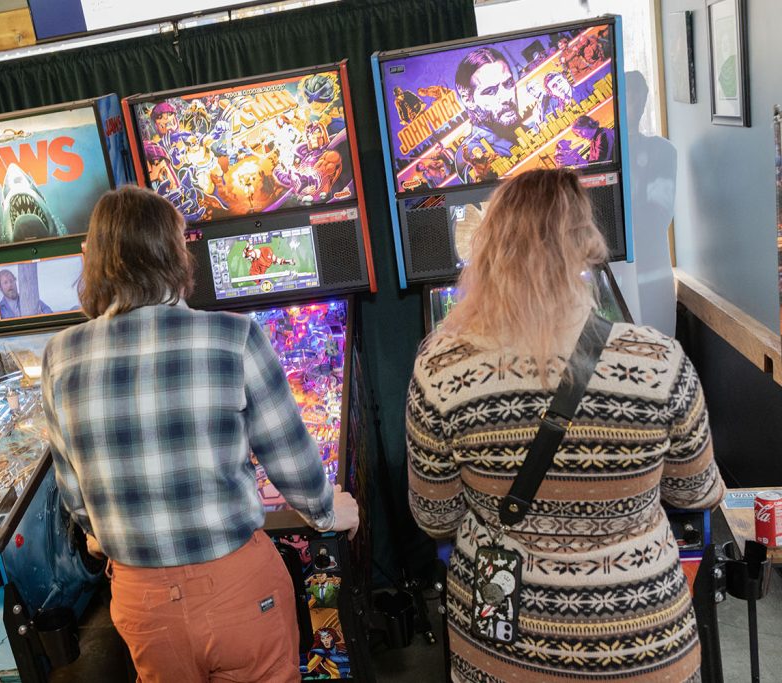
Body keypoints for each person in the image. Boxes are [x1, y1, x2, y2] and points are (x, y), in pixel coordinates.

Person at [406, 169, 723, 682]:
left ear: (486, 248)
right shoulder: (659, 362)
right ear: (586, 245)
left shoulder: (440, 367)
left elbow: (434, 515)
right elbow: (697, 492)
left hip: (502, 648)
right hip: (642, 645)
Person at [41, 186, 359, 683]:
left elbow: (74, 493)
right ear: (176, 253)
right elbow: (290, 458)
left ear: (94, 259)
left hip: (142, 601)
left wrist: (102, 533)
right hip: (236, 587)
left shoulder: (60, 356)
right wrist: (327, 510)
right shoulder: (234, 335)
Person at [452, 47, 533, 182]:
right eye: (490, 91)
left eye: (508, 84)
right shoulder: (470, 150)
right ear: (469, 101)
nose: (506, 97)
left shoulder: (531, 129)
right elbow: (477, 180)